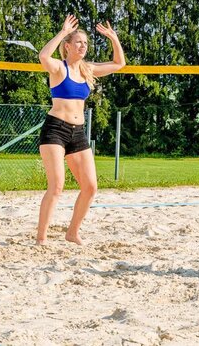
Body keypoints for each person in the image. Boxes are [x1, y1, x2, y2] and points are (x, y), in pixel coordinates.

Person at [35, 14, 125, 245]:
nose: (83, 46)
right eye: (78, 42)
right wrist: (63, 32)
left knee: (91, 187)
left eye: (85, 43)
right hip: (55, 130)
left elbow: (119, 64)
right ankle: (41, 238)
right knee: (56, 187)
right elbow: (43, 56)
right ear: (67, 46)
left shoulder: (88, 70)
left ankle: (72, 232)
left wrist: (114, 38)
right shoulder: (59, 68)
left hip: (78, 132)